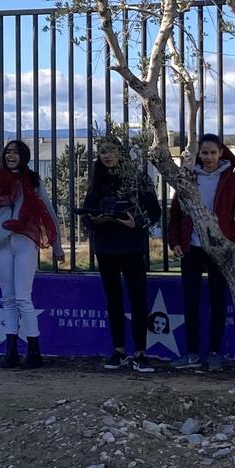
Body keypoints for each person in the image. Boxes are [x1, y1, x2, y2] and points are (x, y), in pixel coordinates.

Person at [164, 132, 235, 373]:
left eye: (213, 153)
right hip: (191, 249)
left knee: (217, 300)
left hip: (219, 251)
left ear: (221, 153)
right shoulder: (188, 179)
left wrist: (228, 236)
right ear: (198, 154)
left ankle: (214, 353)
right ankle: (192, 352)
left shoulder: (232, 181)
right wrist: (175, 242)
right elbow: (175, 215)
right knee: (190, 301)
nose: (208, 157)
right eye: (204, 153)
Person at [0, 139, 64, 369]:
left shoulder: (33, 181)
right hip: (1, 243)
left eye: (15, 152)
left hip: (26, 242)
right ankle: (11, 351)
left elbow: (48, 211)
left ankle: (34, 352)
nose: (10, 155)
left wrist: (57, 246)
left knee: (23, 297)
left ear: (23, 156)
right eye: (7, 152)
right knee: (8, 299)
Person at [80, 137, 161, 372]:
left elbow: (154, 212)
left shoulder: (137, 178)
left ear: (120, 152)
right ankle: (119, 351)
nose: (107, 155)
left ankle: (140, 353)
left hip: (132, 247)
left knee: (138, 300)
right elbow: (86, 215)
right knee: (113, 300)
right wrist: (95, 219)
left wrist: (135, 223)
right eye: (102, 151)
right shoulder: (96, 181)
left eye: (111, 150)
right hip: (106, 248)